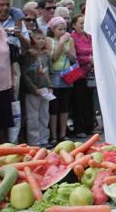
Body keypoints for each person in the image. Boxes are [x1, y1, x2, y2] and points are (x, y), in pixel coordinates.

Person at [46, 16, 76, 144]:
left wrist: (67, 50)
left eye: (64, 29)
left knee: (64, 106)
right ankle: (53, 135)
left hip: (67, 75)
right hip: (54, 76)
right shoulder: (49, 40)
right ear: (53, 29)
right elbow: (53, 58)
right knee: (54, 107)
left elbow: (74, 59)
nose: (63, 32)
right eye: (60, 29)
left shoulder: (70, 40)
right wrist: (61, 43)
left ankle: (63, 134)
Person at [21, 29, 52, 146]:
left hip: (45, 90)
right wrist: (33, 89)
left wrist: (50, 86)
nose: (41, 41)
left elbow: (48, 72)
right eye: (38, 38)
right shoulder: (29, 55)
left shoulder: (45, 55)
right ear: (32, 40)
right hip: (33, 91)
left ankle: (44, 139)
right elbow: (24, 74)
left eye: (43, 38)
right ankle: (34, 141)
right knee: (33, 117)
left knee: (44, 116)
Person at [70, 15, 93, 137]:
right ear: (74, 25)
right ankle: (79, 129)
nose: (83, 25)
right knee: (78, 101)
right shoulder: (72, 38)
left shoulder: (90, 36)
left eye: (85, 22)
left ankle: (90, 127)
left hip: (90, 73)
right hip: (78, 74)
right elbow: (74, 57)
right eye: (80, 22)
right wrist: (88, 59)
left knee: (89, 101)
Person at [0, 27, 17, 143]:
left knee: (3, 124)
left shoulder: (2, 32)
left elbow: (9, 59)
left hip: (4, 85)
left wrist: (13, 80)